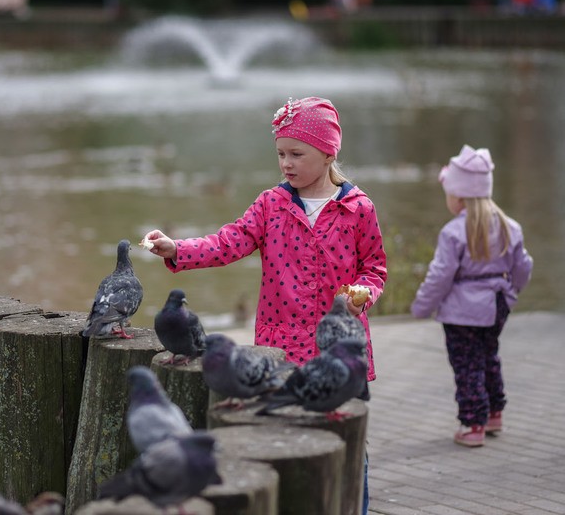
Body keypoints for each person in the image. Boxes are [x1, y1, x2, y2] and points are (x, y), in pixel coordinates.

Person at [144, 96, 387, 514]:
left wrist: (362, 294)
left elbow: (375, 267)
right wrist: (176, 249)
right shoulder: (271, 205)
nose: (286, 163)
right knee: (280, 441)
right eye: (280, 153)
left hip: (341, 353)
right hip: (280, 352)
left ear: (328, 153)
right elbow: (227, 242)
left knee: (347, 447)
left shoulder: (358, 209)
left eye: (297, 153)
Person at [410, 145, 533, 448]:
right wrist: (512, 293)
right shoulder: (510, 227)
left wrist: (421, 307)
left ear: (459, 196)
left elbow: (440, 275)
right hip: (497, 304)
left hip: (462, 311)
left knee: (467, 364)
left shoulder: (453, 232)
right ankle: (494, 412)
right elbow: (523, 267)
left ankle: (473, 423)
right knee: (489, 355)